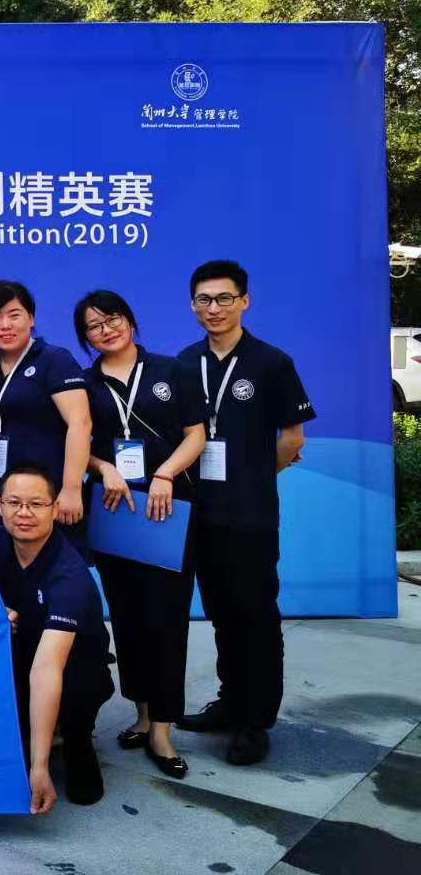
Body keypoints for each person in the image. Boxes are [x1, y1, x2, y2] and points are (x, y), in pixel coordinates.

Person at [175, 260, 314, 766]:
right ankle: (230, 702)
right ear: (193, 305)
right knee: (221, 614)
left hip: (250, 516)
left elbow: (292, 439)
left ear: (244, 301)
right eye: (204, 300)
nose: (213, 308)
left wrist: (254, 475)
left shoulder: (271, 363)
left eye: (224, 298)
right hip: (200, 514)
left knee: (255, 615)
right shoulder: (185, 362)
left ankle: (256, 722)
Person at [75, 289, 206, 778]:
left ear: (130, 321)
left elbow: (196, 434)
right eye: (93, 326)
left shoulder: (172, 370)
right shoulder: (84, 383)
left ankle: (164, 731)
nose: (105, 330)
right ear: (86, 338)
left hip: (166, 509)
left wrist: (166, 473)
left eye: (112, 319)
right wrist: (102, 467)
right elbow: (74, 441)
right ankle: (143, 715)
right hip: (115, 512)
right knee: (128, 618)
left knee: (167, 619)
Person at [0, 465, 114, 814]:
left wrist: (39, 767)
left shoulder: (70, 576)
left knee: (84, 786)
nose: (24, 513)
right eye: (14, 502)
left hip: (72, 670)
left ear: (55, 509)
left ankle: (76, 737)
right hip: (18, 655)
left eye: (36, 504)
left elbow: (47, 669)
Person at [0, 280, 91, 540]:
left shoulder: (54, 359)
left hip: (48, 495)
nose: (5, 325)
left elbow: (80, 423)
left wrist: (71, 488)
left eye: (14, 315)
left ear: (31, 318)